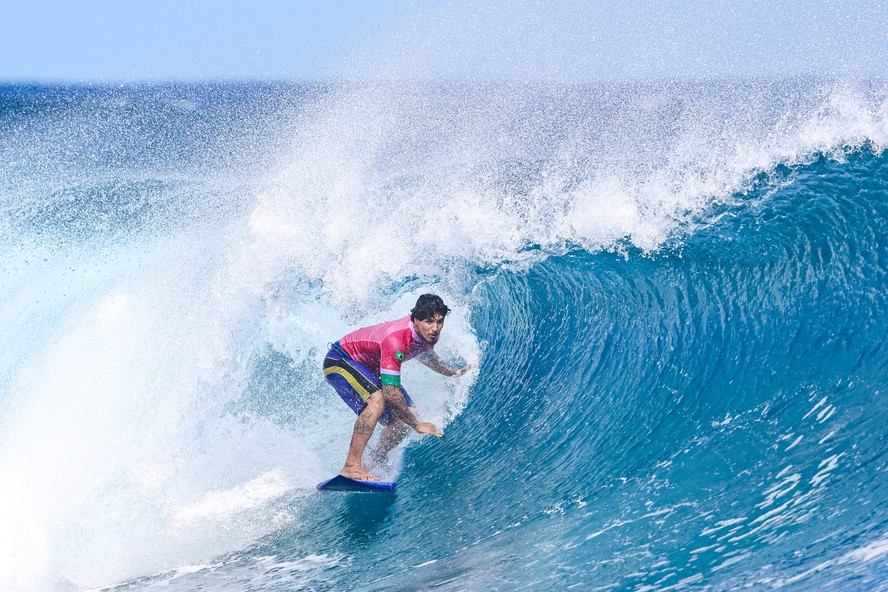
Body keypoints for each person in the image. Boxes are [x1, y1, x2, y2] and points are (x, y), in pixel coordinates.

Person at [323, 294, 472, 481]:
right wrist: (417, 426)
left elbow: (427, 356)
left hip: (369, 369)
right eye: (428, 322)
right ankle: (351, 466)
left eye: (440, 321)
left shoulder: (425, 336)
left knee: (407, 414)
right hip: (341, 360)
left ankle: (375, 459)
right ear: (416, 319)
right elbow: (391, 392)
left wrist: (456, 373)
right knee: (377, 401)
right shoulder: (397, 340)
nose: (435, 328)